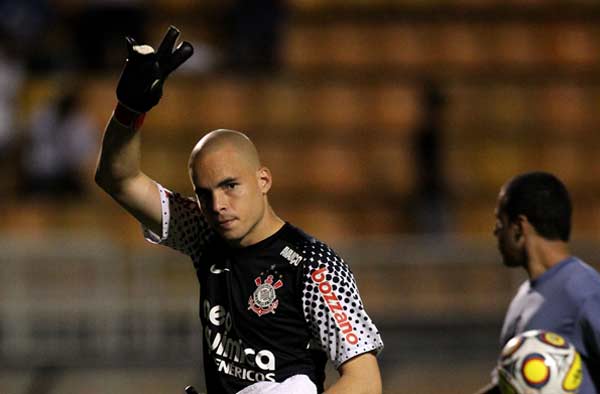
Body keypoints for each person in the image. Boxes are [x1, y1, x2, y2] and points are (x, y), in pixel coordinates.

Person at [94, 26, 383, 394]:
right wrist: (130, 109)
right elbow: (117, 179)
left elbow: (366, 381)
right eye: (204, 193)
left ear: (263, 181)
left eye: (231, 186)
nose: (218, 205)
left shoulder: (313, 265)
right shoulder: (204, 233)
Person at [475, 171, 600, 394]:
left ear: (518, 227)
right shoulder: (523, 297)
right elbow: (506, 384)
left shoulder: (584, 291)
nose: (495, 231)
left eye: (499, 221)